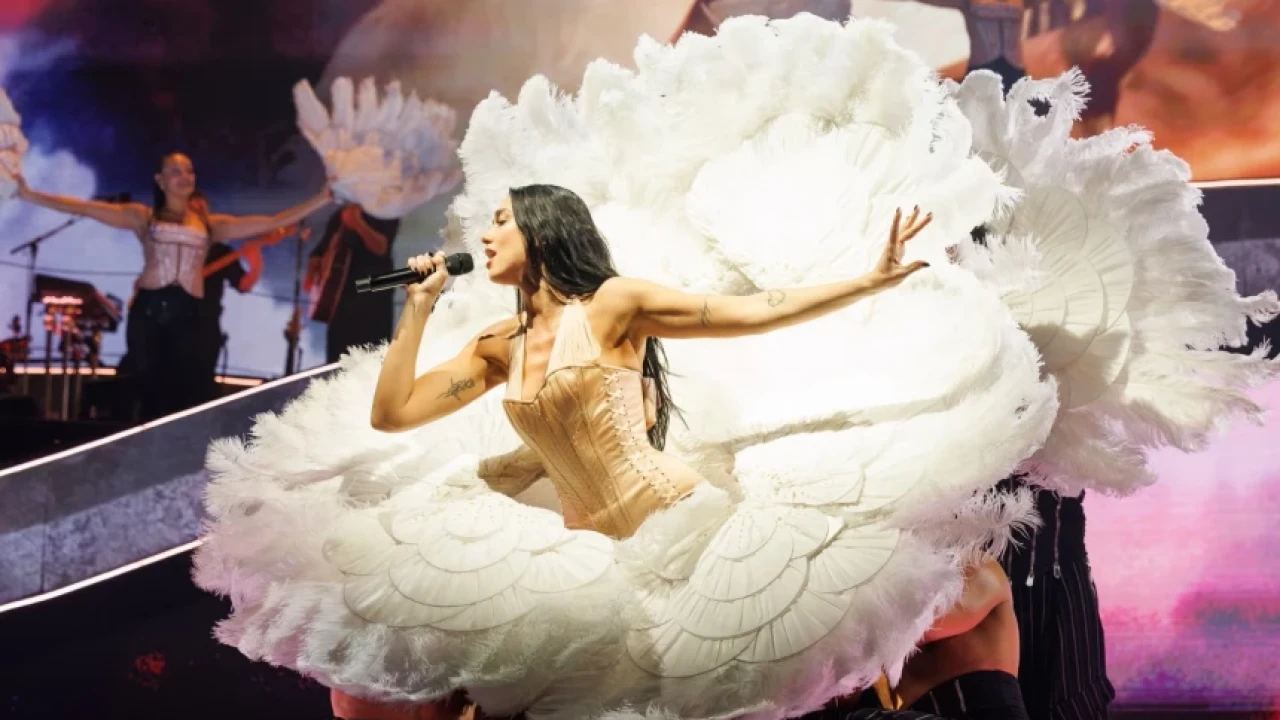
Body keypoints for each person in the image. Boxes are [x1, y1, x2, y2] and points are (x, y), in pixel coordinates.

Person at [13, 152, 332, 419]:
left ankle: (175, 453)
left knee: (184, 390)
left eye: (189, 171)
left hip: (189, 314)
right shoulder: (143, 217)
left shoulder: (212, 225)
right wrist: (29, 194)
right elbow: (84, 208)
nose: (184, 176)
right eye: (175, 171)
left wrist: (322, 198)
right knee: (147, 386)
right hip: (149, 311)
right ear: (160, 180)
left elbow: (272, 221)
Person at [306, 203, 401, 363]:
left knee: (371, 357)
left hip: (373, 300)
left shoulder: (387, 211)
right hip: (340, 299)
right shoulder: (342, 213)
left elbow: (381, 247)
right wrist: (314, 273)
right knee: (338, 359)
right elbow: (321, 249)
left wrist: (358, 224)